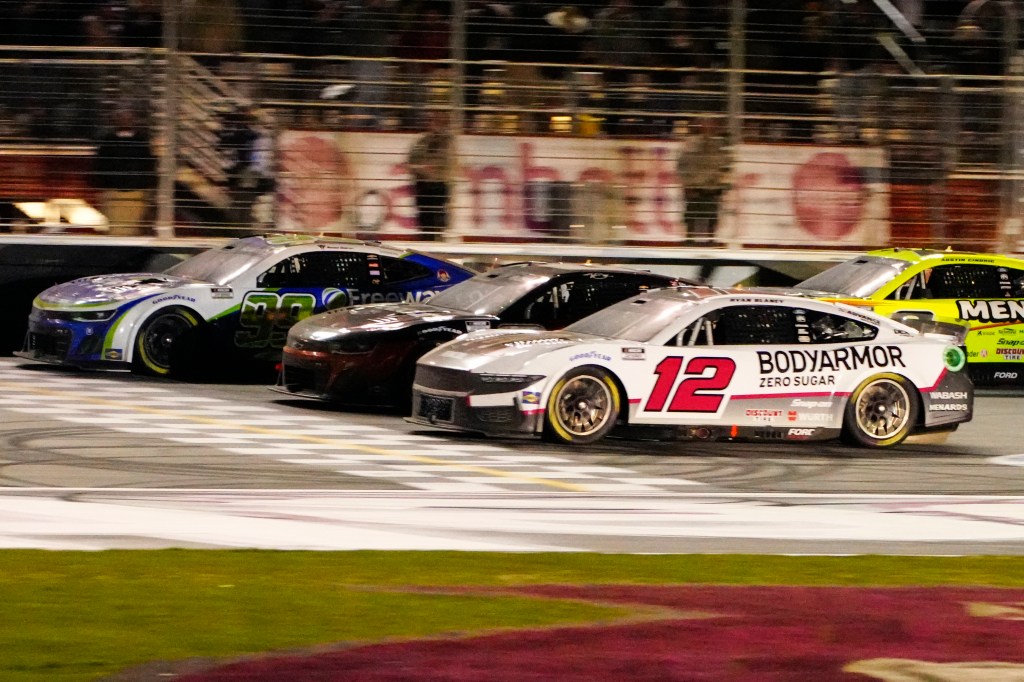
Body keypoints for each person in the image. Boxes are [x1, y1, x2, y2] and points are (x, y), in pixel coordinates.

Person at [93, 107, 157, 236]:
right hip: (115, 193)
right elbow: (101, 165)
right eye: (122, 118)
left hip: (136, 193)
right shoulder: (108, 141)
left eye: (128, 118)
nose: (125, 121)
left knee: (131, 228)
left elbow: (148, 165)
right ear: (115, 121)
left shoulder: (142, 141)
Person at [676, 116, 729, 245]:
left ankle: (711, 240)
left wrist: (722, 184)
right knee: (692, 214)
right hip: (696, 185)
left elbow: (726, 164)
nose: (709, 126)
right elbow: (683, 164)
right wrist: (687, 184)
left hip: (712, 186)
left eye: (712, 123)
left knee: (712, 214)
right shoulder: (692, 143)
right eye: (706, 123)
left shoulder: (720, 143)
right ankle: (689, 239)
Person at [407, 110, 452, 241]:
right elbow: (410, 162)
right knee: (424, 219)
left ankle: (437, 240)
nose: (434, 124)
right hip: (423, 185)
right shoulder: (420, 141)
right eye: (431, 120)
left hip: (439, 185)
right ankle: (427, 241)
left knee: (438, 218)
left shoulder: (447, 141)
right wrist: (421, 168)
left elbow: (446, 164)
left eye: (438, 121)